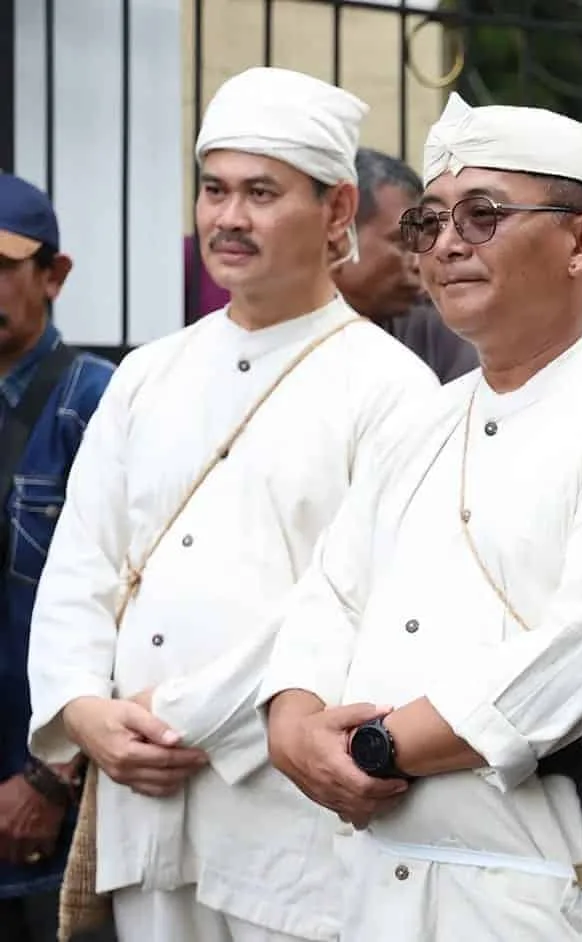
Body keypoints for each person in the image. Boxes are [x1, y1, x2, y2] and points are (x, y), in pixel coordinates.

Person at [256, 94, 582, 941]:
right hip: (369, 881)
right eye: (431, 222)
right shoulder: (423, 418)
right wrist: (290, 728)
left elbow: (580, 660)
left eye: (485, 214)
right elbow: (331, 594)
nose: (449, 243)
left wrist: (374, 751)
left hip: (540, 887)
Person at [24, 67, 438, 942]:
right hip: (138, 795)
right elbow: (84, 561)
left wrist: (184, 722)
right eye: (214, 190)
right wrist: (79, 707)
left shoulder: (391, 386)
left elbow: (355, 593)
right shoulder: (147, 373)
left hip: (280, 808)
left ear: (336, 213)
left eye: (260, 192)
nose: (228, 218)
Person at [0, 174, 115, 942]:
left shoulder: (95, 401)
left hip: (44, 792)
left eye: (1, 265)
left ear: (54, 274)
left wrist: (48, 775)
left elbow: (125, 604)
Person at [335, 147, 480, 383]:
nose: (418, 263)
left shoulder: (440, 331)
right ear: (341, 233)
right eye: (402, 243)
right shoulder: (274, 331)